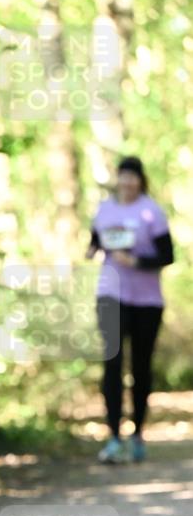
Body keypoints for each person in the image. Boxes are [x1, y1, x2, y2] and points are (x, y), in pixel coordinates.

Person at [86, 155, 174, 463]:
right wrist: (94, 250)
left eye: (132, 176)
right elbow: (94, 242)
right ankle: (113, 437)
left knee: (140, 367)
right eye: (123, 176)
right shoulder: (104, 209)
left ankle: (137, 435)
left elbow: (167, 255)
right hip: (110, 293)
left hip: (147, 300)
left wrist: (136, 261)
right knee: (112, 362)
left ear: (140, 180)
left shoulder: (152, 212)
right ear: (117, 179)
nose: (127, 182)